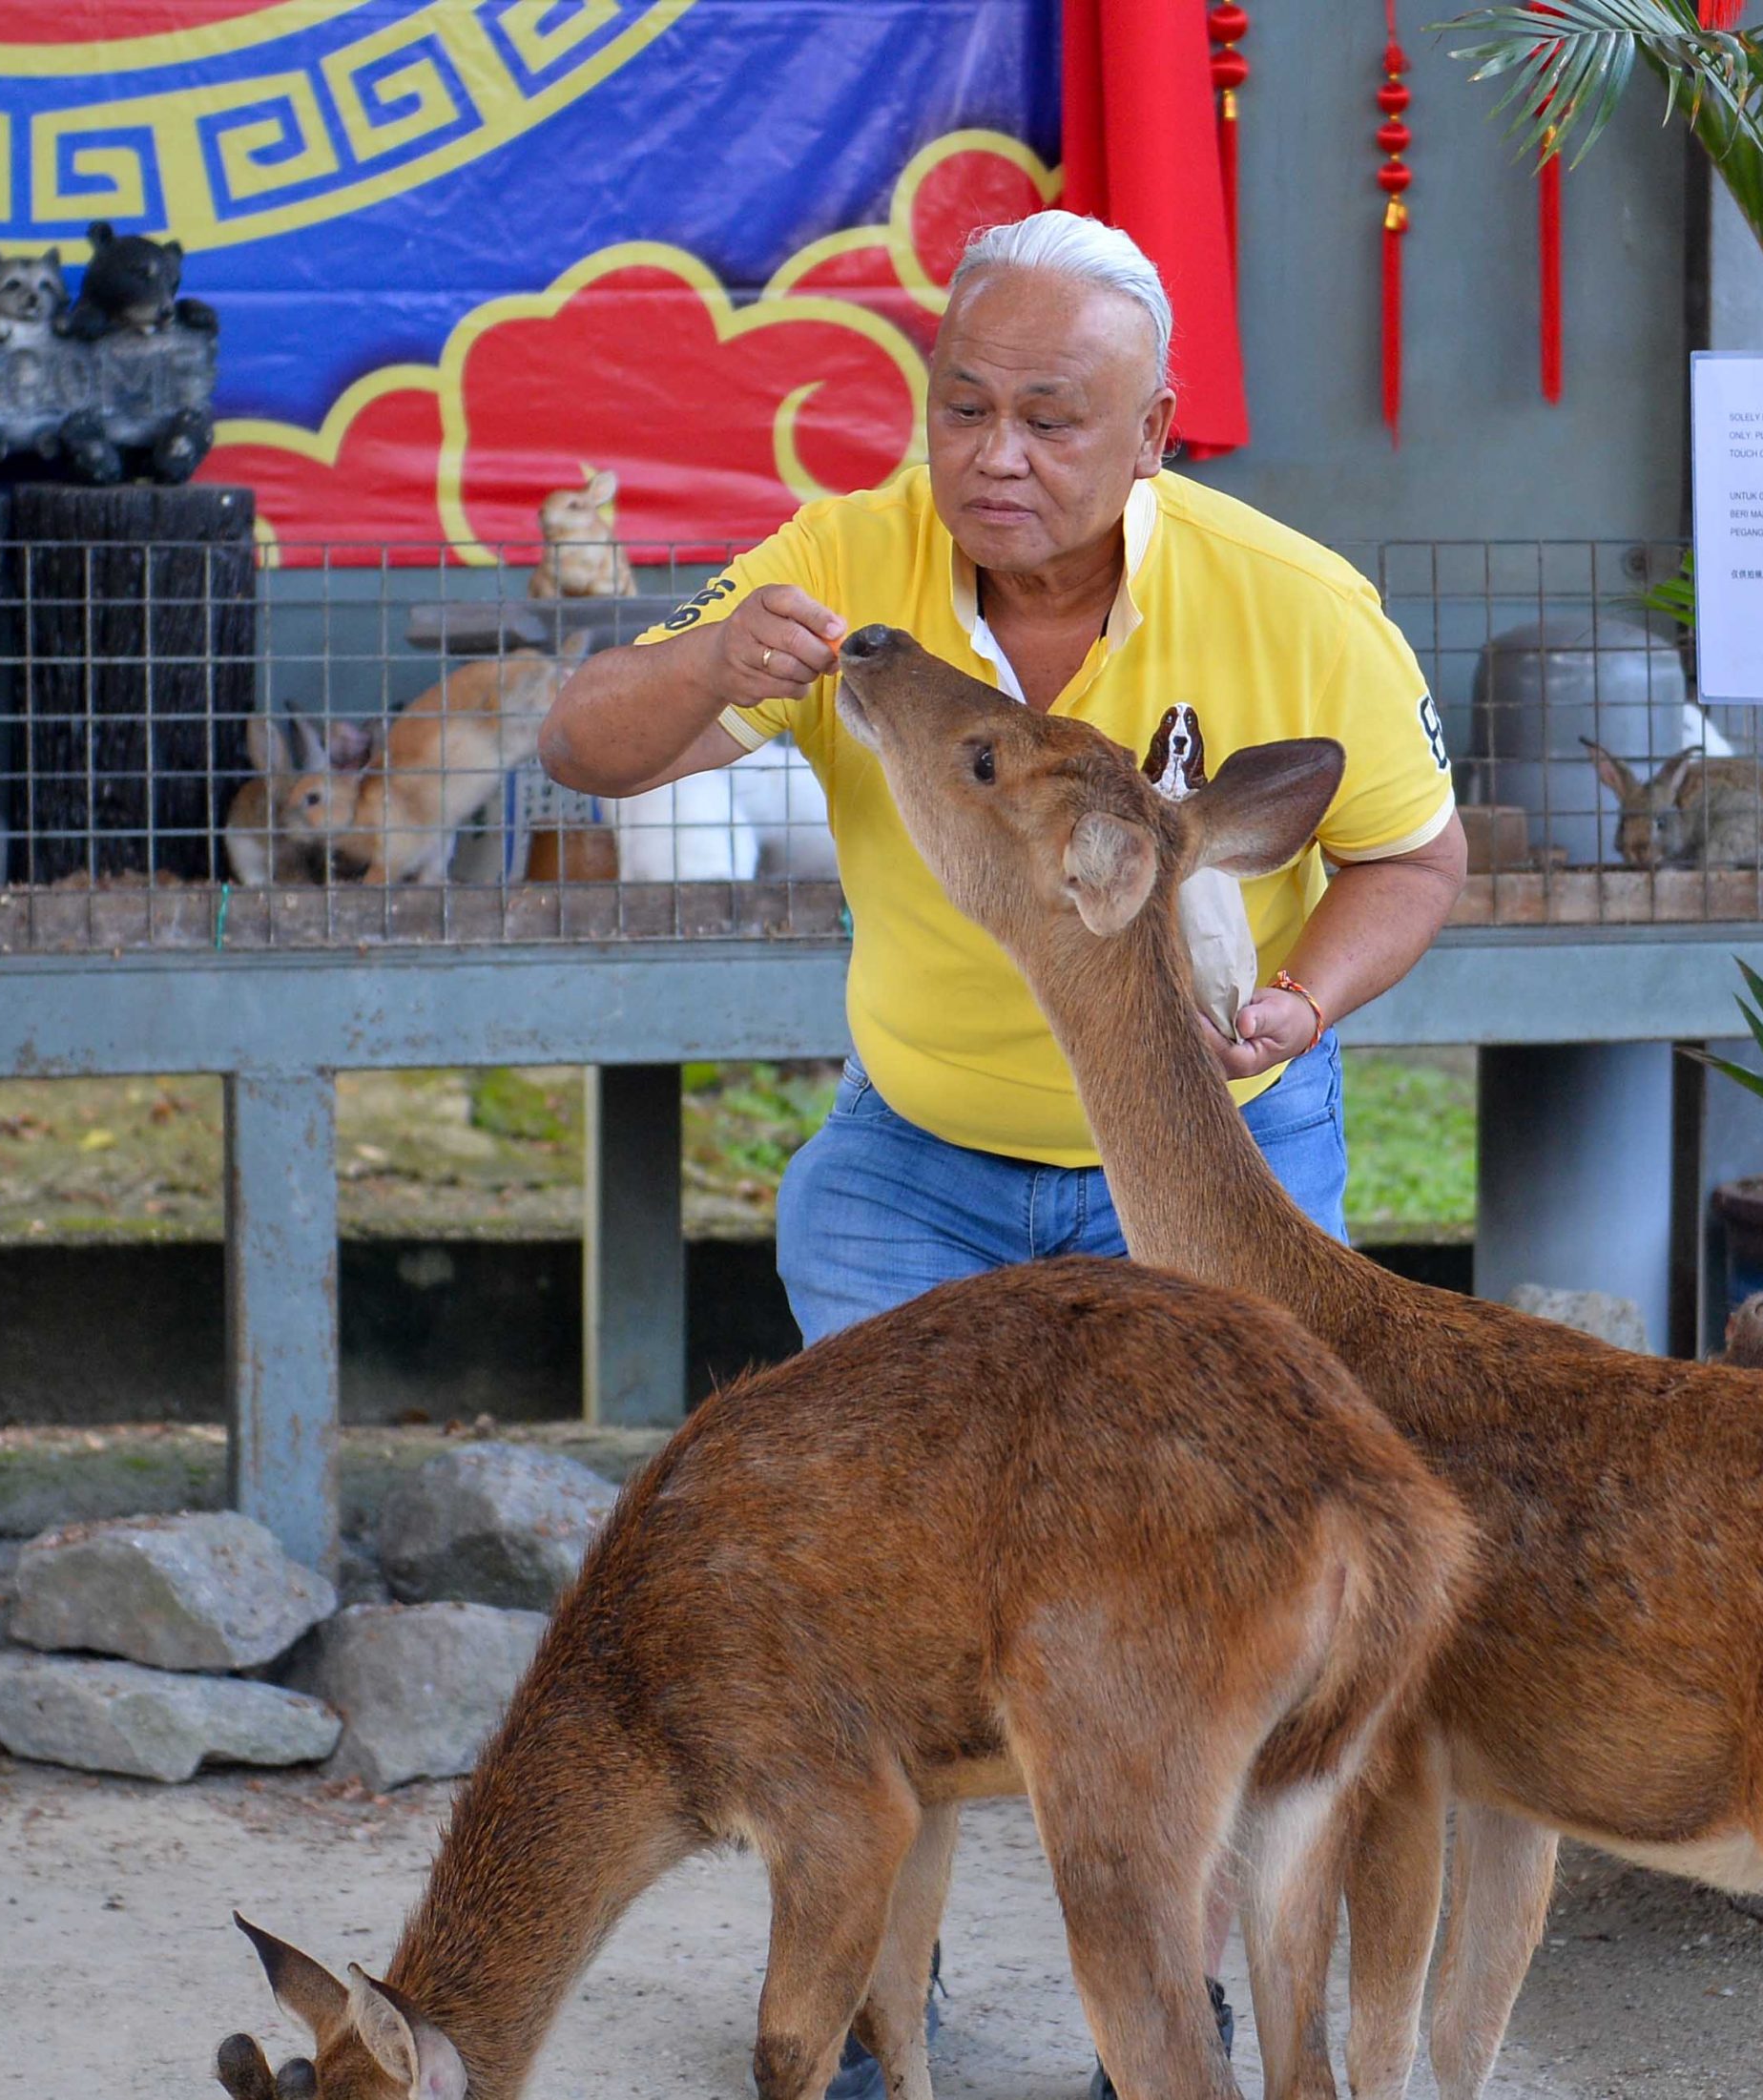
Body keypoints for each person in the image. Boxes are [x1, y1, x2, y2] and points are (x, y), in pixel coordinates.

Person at [541, 208, 1464, 2099]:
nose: (994, 455)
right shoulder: (843, 572)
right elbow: (584, 749)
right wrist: (720, 657)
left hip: (1217, 1187)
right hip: (920, 1170)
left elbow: (1410, 852)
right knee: (895, 1614)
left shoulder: (1290, 596)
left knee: (1183, 1619)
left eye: (1051, 418)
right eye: (960, 406)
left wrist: (1300, 1002)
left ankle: (1177, 2000)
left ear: (1155, 429)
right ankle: (889, 2005)